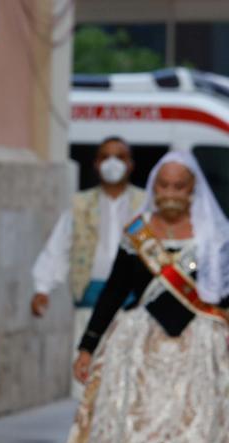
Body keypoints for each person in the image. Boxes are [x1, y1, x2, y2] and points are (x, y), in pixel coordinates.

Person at [54, 151, 229, 443]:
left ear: (192, 191)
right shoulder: (137, 233)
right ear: (154, 188)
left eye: (179, 187)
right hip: (141, 348)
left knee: (194, 433)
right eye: (164, 186)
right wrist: (88, 346)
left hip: (198, 349)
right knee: (140, 433)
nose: (170, 194)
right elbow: (114, 290)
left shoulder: (214, 235)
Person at [30, 137, 146, 397]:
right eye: (105, 156)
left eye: (119, 156)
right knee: (89, 379)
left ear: (130, 164)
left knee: (130, 381)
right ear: (96, 163)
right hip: (91, 301)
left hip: (134, 307)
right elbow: (59, 246)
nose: (112, 163)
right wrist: (42, 287)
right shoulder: (80, 205)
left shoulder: (145, 205)